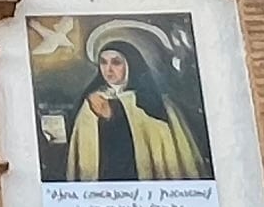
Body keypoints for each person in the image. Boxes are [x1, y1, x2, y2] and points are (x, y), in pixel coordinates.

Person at [68, 31, 205, 182]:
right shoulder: (92, 102)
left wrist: (115, 112)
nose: (108, 69)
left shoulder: (156, 104)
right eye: (103, 62)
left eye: (116, 62)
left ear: (130, 64)